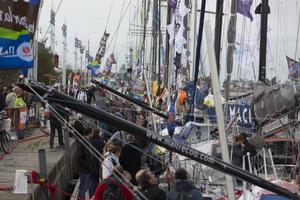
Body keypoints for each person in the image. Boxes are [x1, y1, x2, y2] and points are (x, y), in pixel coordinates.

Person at [77, 128, 94, 199]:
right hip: (84, 170)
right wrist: (87, 165)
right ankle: (80, 198)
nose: (92, 134)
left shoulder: (87, 141)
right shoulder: (83, 142)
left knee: (85, 186)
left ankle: (81, 197)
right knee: (84, 186)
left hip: (87, 169)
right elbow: (79, 157)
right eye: (92, 133)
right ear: (89, 133)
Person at [90, 129, 105, 195]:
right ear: (98, 133)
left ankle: (93, 194)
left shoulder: (90, 141)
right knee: (100, 178)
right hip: (100, 162)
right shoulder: (101, 142)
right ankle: (99, 193)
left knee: (93, 179)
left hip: (92, 162)